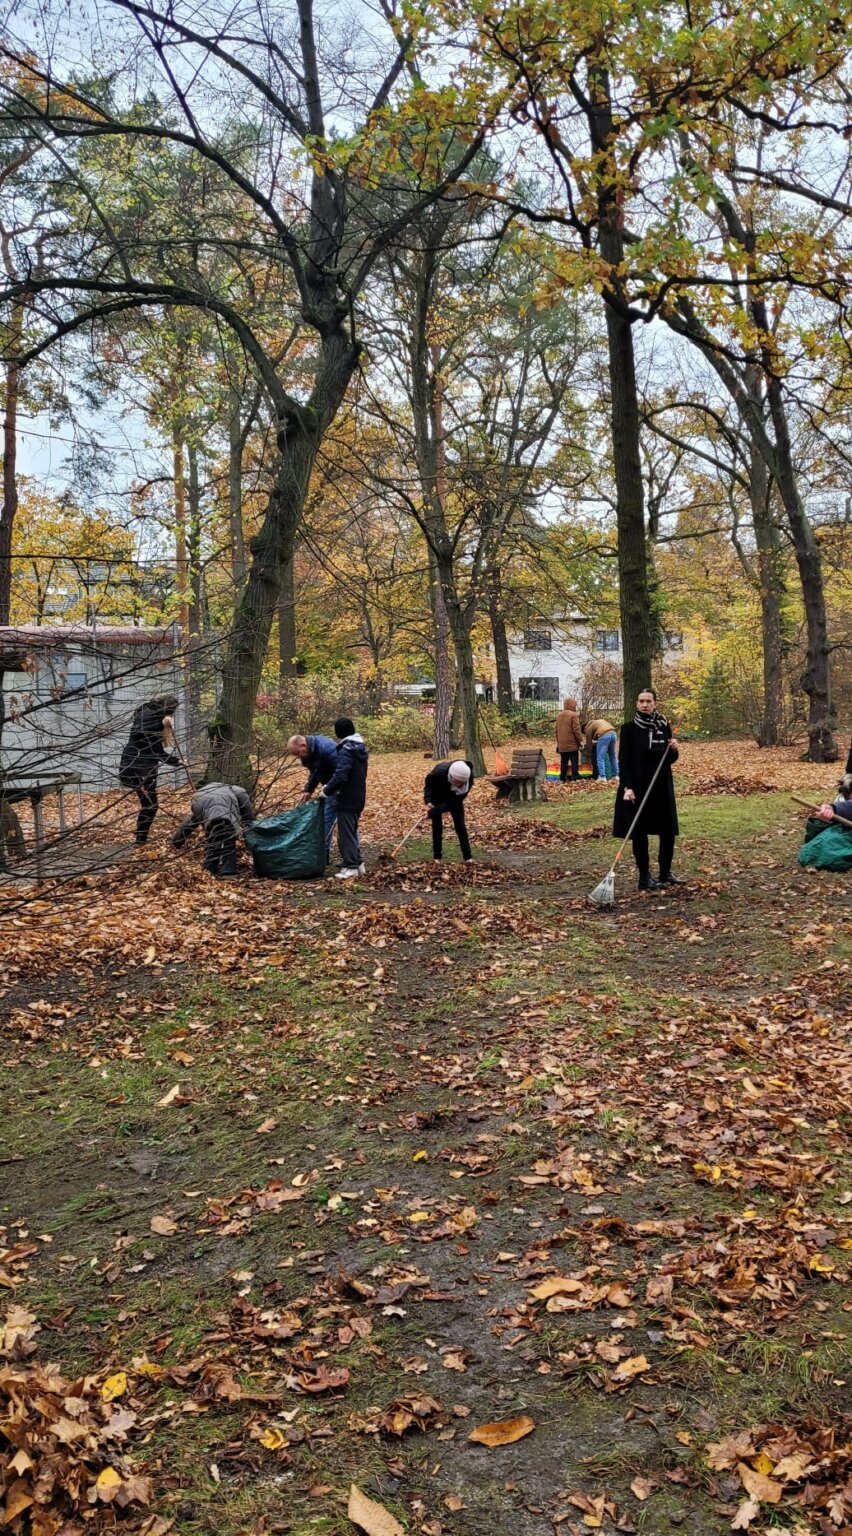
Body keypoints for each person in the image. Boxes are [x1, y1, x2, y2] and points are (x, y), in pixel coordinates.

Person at [613, 687, 680, 890]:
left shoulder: (663, 725)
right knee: (639, 832)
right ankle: (644, 878)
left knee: (667, 831)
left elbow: (668, 759)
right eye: (641, 701)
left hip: (661, 786)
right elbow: (623, 760)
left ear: (655, 703)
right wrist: (627, 787)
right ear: (636, 703)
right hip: (638, 787)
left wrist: (674, 749)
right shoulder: (629, 729)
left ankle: (665, 873)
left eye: (648, 701)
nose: (644, 704)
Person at [119, 694, 181, 845]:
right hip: (136, 767)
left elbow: (157, 751)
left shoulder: (152, 717)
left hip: (145, 767)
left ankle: (141, 840)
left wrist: (177, 762)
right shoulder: (146, 713)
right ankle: (140, 841)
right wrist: (161, 724)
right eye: (171, 711)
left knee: (150, 806)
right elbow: (139, 731)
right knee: (150, 805)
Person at [172, 782, 254, 876]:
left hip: (199, 799)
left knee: (213, 839)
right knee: (229, 840)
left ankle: (209, 869)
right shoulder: (239, 792)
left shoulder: (214, 789)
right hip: (220, 808)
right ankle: (228, 872)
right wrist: (251, 833)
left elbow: (191, 822)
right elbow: (249, 818)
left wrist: (176, 842)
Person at [323, 716, 369, 880]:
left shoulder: (346, 750)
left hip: (348, 796)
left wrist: (327, 790)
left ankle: (351, 867)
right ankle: (358, 863)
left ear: (338, 733)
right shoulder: (359, 747)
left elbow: (341, 774)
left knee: (345, 834)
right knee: (351, 830)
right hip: (358, 795)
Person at [288, 732, 339, 856]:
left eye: (297, 753)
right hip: (329, 790)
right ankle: (323, 854)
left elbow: (342, 770)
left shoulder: (326, 748)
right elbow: (315, 772)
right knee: (325, 821)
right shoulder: (308, 754)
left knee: (346, 824)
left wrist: (330, 788)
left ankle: (353, 858)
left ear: (303, 745)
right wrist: (308, 790)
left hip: (341, 788)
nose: (297, 757)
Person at [425, 758, 474, 862]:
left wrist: (432, 813)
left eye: (462, 783)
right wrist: (429, 801)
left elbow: (453, 803)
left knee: (460, 825)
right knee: (437, 826)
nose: (460, 785)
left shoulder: (469, 778)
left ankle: (468, 857)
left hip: (455, 798)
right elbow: (428, 785)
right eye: (457, 782)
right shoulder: (438, 773)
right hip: (437, 794)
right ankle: (437, 857)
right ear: (451, 776)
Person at [555, 697, 583, 782]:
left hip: (562, 744)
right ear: (572, 705)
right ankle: (575, 777)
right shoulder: (573, 715)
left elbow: (556, 731)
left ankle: (562, 778)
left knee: (564, 761)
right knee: (574, 760)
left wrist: (558, 743)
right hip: (572, 744)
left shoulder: (558, 715)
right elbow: (576, 730)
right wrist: (580, 741)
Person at [584, 715, 619, 781]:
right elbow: (600, 735)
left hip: (604, 735)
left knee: (600, 757)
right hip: (613, 734)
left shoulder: (588, 729)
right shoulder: (598, 722)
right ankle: (616, 775)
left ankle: (602, 776)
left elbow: (589, 744)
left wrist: (588, 756)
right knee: (612, 756)